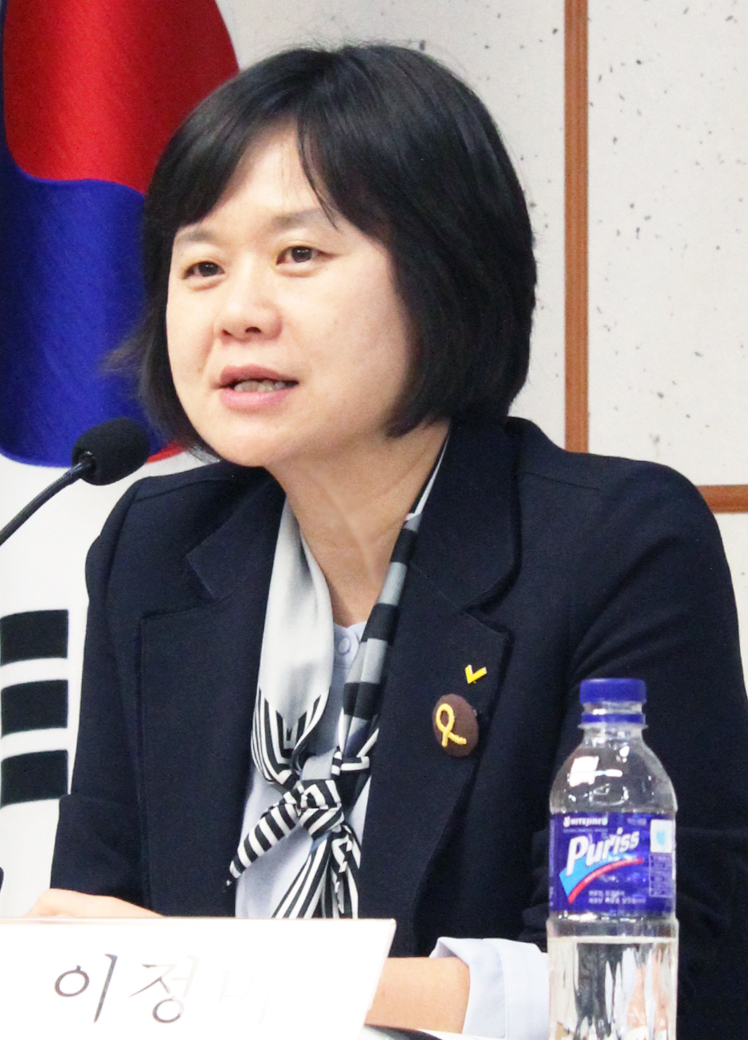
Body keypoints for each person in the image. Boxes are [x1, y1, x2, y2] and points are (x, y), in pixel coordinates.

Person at [30, 44, 748, 1039]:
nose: (236, 312)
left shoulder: (612, 549)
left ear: (445, 273)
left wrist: (213, 971)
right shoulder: (157, 552)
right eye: (201, 266)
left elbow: (639, 992)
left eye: (299, 255)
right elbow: (85, 952)